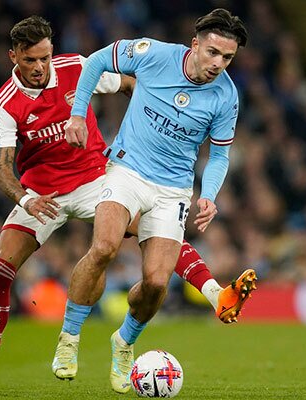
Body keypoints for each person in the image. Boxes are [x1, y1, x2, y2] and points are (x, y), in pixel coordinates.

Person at [0, 15, 256, 394]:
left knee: (150, 239)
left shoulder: (73, 68)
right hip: (43, 196)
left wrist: (152, 118)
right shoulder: (6, 103)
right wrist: (27, 200)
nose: (40, 68)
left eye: (45, 58)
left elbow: (128, 82)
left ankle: (212, 294)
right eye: (30, 60)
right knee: (1, 266)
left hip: (97, 176)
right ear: (13, 56)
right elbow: (1, 168)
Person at [57, 8, 248, 393]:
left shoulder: (226, 96)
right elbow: (96, 61)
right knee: (105, 247)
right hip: (127, 170)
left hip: (173, 190)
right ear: (195, 44)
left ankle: (124, 341)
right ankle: (69, 338)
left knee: (157, 284)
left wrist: (208, 196)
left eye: (227, 57)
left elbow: (220, 155)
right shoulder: (153, 54)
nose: (218, 64)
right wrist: (78, 114)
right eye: (212, 52)